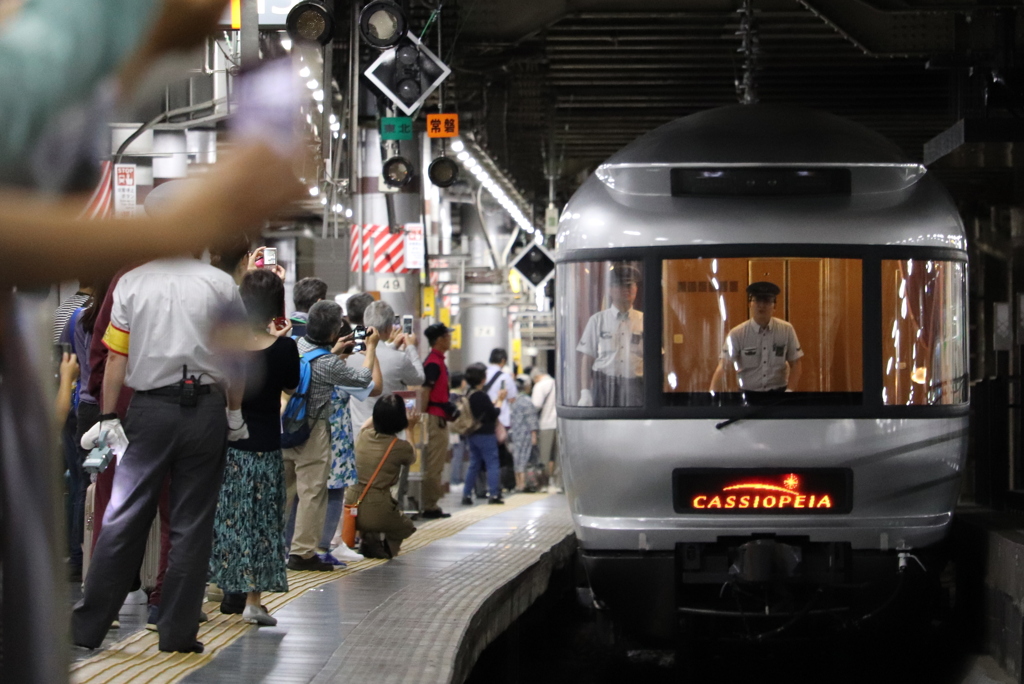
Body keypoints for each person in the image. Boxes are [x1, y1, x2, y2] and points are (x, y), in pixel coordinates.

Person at [71, 252, 249, 654]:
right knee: (191, 525)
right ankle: (177, 632)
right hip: (206, 410)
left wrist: (109, 415)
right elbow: (235, 359)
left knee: (124, 516)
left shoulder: (132, 281)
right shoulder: (220, 284)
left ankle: (87, 627)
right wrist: (235, 414)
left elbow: (116, 356)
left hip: (148, 410)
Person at [208, 270, 299, 627]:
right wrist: (281, 340)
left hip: (230, 445)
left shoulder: (226, 346)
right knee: (264, 523)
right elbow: (292, 386)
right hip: (267, 446)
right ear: (277, 305)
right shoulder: (285, 348)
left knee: (227, 519)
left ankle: (216, 588)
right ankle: (253, 602)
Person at [283, 300, 380, 572]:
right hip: (313, 431)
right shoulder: (328, 363)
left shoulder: (295, 346)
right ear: (333, 332)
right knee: (312, 492)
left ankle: (273, 548)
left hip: (284, 426)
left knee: (283, 492)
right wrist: (371, 348)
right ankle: (302, 553)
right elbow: (363, 379)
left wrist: (333, 350)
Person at [347, 395, 418, 559]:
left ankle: (369, 540)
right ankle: (386, 550)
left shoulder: (363, 435)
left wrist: (382, 411)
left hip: (351, 505)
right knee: (406, 526)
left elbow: (366, 424)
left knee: (373, 516)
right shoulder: (400, 447)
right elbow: (413, 458)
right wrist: (410, 428)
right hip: (378, 508)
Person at [709, 281, 804, 393]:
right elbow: (723, 366)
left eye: (767, 301)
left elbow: (796, 364)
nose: (762, 305)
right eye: (757, 300)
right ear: (750, 304)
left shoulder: (786, 330)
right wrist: (711, 394)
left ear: (774, 306)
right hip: (748, 394)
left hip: (778, 393)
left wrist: (789, 391)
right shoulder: (737, 333)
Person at [576, 264, 644, 407]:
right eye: (621, 285)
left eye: (631, 285)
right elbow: (587, 358)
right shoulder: (597, 320)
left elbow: (656, 358)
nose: (627, 289)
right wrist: (585, 392)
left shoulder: (645, 321)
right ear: (610, 290)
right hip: (604, 386)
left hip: (636, 386)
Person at [419, 323, 456, 519]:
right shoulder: (433, 363)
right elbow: (425, 391)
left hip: (438, 417)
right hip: (434, 418)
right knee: (434, 463)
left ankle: (430, 503)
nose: (450, 339)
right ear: (440, 340)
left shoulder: (437, 361)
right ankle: (429, 505)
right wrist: (423, 417)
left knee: (437, 462)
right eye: (447, 336)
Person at [459, 363, 508, 506]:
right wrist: (500, 401)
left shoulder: (469, 394)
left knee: (474, 464)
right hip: (486, 434)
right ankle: (494, 494)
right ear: (483, 379)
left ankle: (466, 494)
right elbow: (493, 413)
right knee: (492, 463)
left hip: (472, 433)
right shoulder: (481, 396)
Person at [509, 376, 539, 492]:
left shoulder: (513, 401)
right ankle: (524, 483)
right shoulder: (527, 401)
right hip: (525, 434)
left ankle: (518, 484)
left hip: (515, 434)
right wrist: (534, 435)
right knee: (525, 458)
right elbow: (532, 420)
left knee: (517, 459)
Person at [530, 367, 558, 489]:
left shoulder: (539, 386)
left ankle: (544, 484)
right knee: (558, 456)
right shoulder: (557, 383)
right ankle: (558, 483)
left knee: (544, 456)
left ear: (536, 377)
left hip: (546, 424)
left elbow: (536, 405)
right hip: (560, 424)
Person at [484, 349, 517, 432]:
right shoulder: (505, 377)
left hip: (484, 418)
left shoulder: (483, 374)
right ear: (503, 360)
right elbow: (512, 398)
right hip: (501, 419)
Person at [448, 372, 468, 487]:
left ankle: (457, 479)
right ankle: (455, 479)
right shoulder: (456, 397)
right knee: (458, 455)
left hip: (455, 429)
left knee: (458, 455)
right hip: (457, 430)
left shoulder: (450, 395)